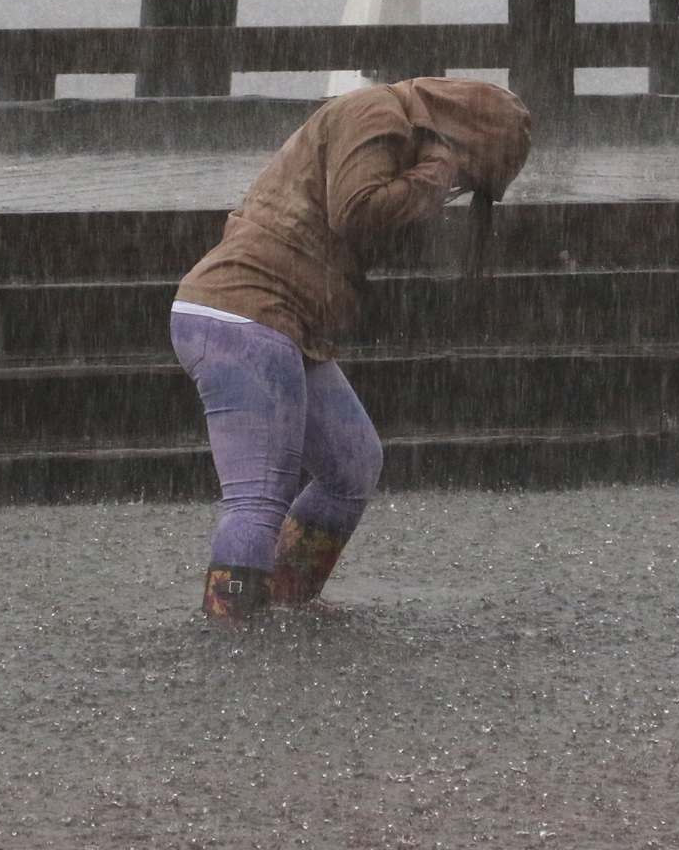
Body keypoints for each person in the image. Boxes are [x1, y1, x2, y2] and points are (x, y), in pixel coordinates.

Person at [168, 76, 532, 621]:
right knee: (258, 498)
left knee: (352, 464)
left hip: (286, 323)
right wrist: (437, 172)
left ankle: (283, 602)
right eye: (467, 173)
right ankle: (231, 630)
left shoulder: (400, 134)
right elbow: (356, 209)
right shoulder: (376, 112)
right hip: (243, 312)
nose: (456, 190)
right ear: (461, 135)